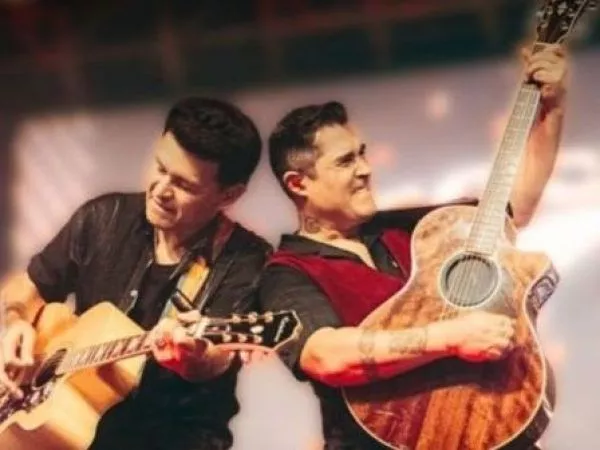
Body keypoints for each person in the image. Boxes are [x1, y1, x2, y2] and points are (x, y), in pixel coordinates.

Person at [258, 44, 568, 449]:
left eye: (363, 154)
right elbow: (325, 355)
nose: (365, 169)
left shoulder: (416, 228)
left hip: (484, 432)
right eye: (345, 161)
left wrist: (552, 109)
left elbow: (514, 208)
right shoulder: (287, 271)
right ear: (299, 183)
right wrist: (450, 336)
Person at [0, 97, 272, 450]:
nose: (160, 190)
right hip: (75, 432)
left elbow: (216, 359)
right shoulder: (103, 217)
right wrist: (15, 321)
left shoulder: (246, 260)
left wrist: (194, 356)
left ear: (228, 195)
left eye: (184, 185)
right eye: (159, 167)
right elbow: (28, 288)